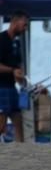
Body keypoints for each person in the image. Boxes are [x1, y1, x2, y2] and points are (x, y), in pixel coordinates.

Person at [0, 9, 29, 143]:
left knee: (18, 120)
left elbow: (17, 68)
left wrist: (22, 81)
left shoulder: (17, 43)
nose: (26, 28)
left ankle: (20, 152)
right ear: (15, 22)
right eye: (24, 24)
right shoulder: (2, 39)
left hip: (12, 87)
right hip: (1, 88)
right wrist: (12, 71)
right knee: (1, 124)